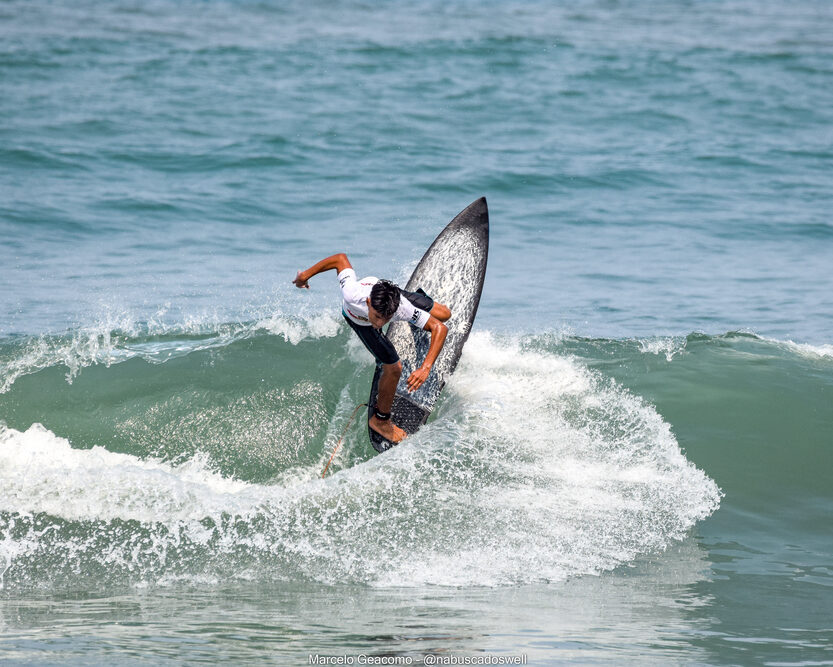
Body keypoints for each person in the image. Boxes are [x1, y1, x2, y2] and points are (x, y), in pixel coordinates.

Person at [293, 253, 450, 443]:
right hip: (358, 321)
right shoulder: (353, 295)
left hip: (389, 294)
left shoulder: (400, 307)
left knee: (444, 314)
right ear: (368, 304)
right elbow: (339, 259)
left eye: (387, 318)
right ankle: (381, 421)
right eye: (377, 316)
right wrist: (305, 276)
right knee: (393, 368)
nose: (382, 323)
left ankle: (418, 303)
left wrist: (425, 368)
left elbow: (439, 328)